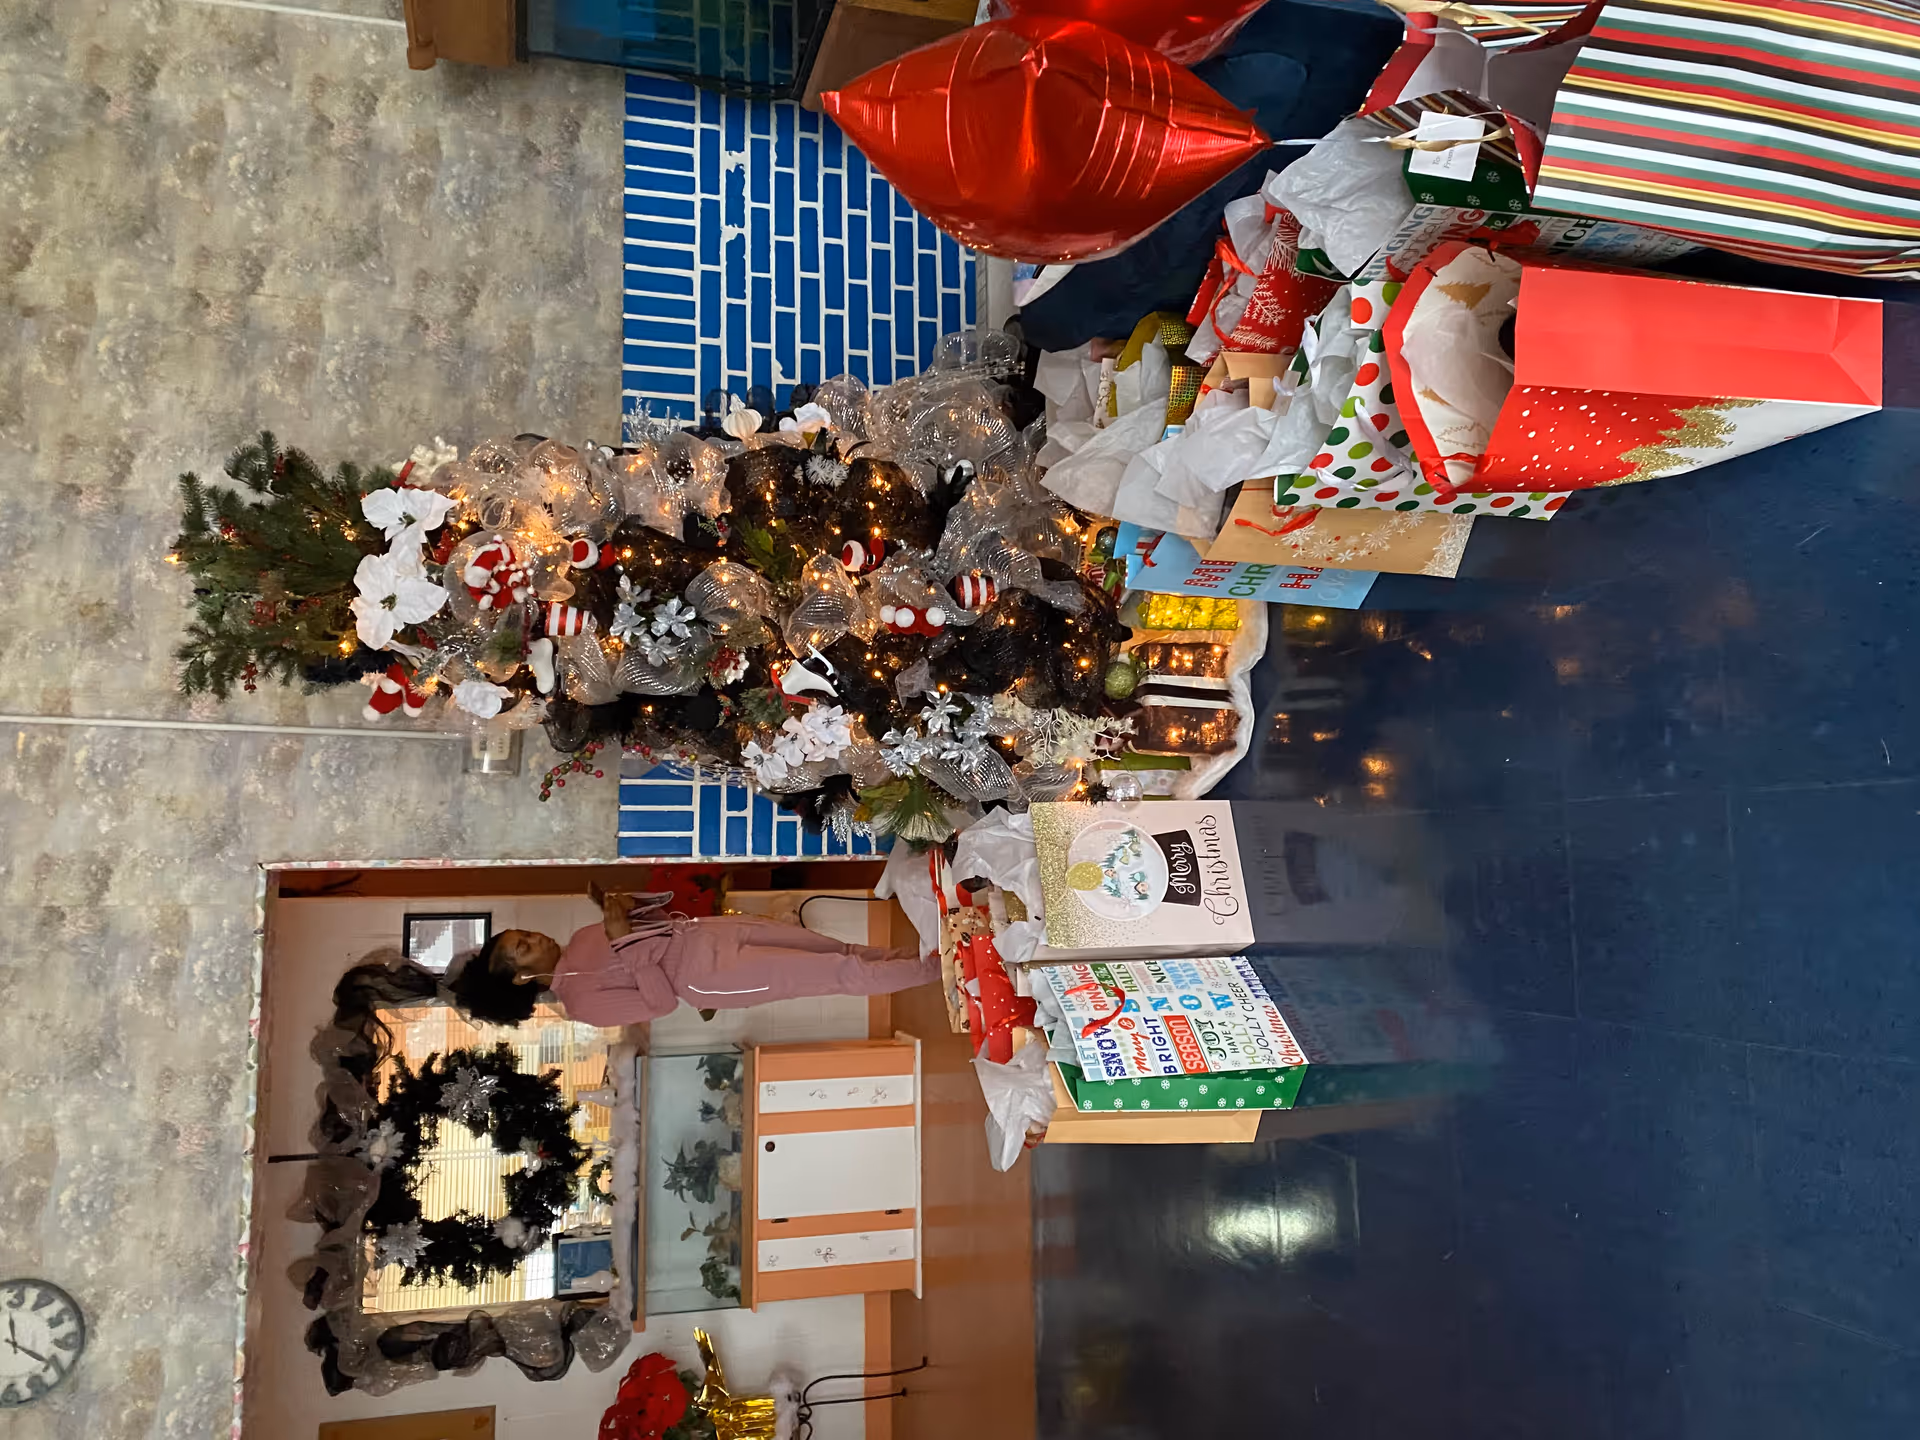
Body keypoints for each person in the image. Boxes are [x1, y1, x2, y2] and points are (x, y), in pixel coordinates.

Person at [464, 889, 938, 1028]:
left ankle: (936, 952)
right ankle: (943, 969)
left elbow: (655, 924)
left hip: (707, 933)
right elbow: (659, 1003)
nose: (536, 937)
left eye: (524, 932)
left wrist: (628, 907)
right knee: (839, 973)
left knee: (839, 951)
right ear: (522, 979)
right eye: (524, 947)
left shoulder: (581, 936)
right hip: (709, 976)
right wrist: (624, 940)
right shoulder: (582, 1005)